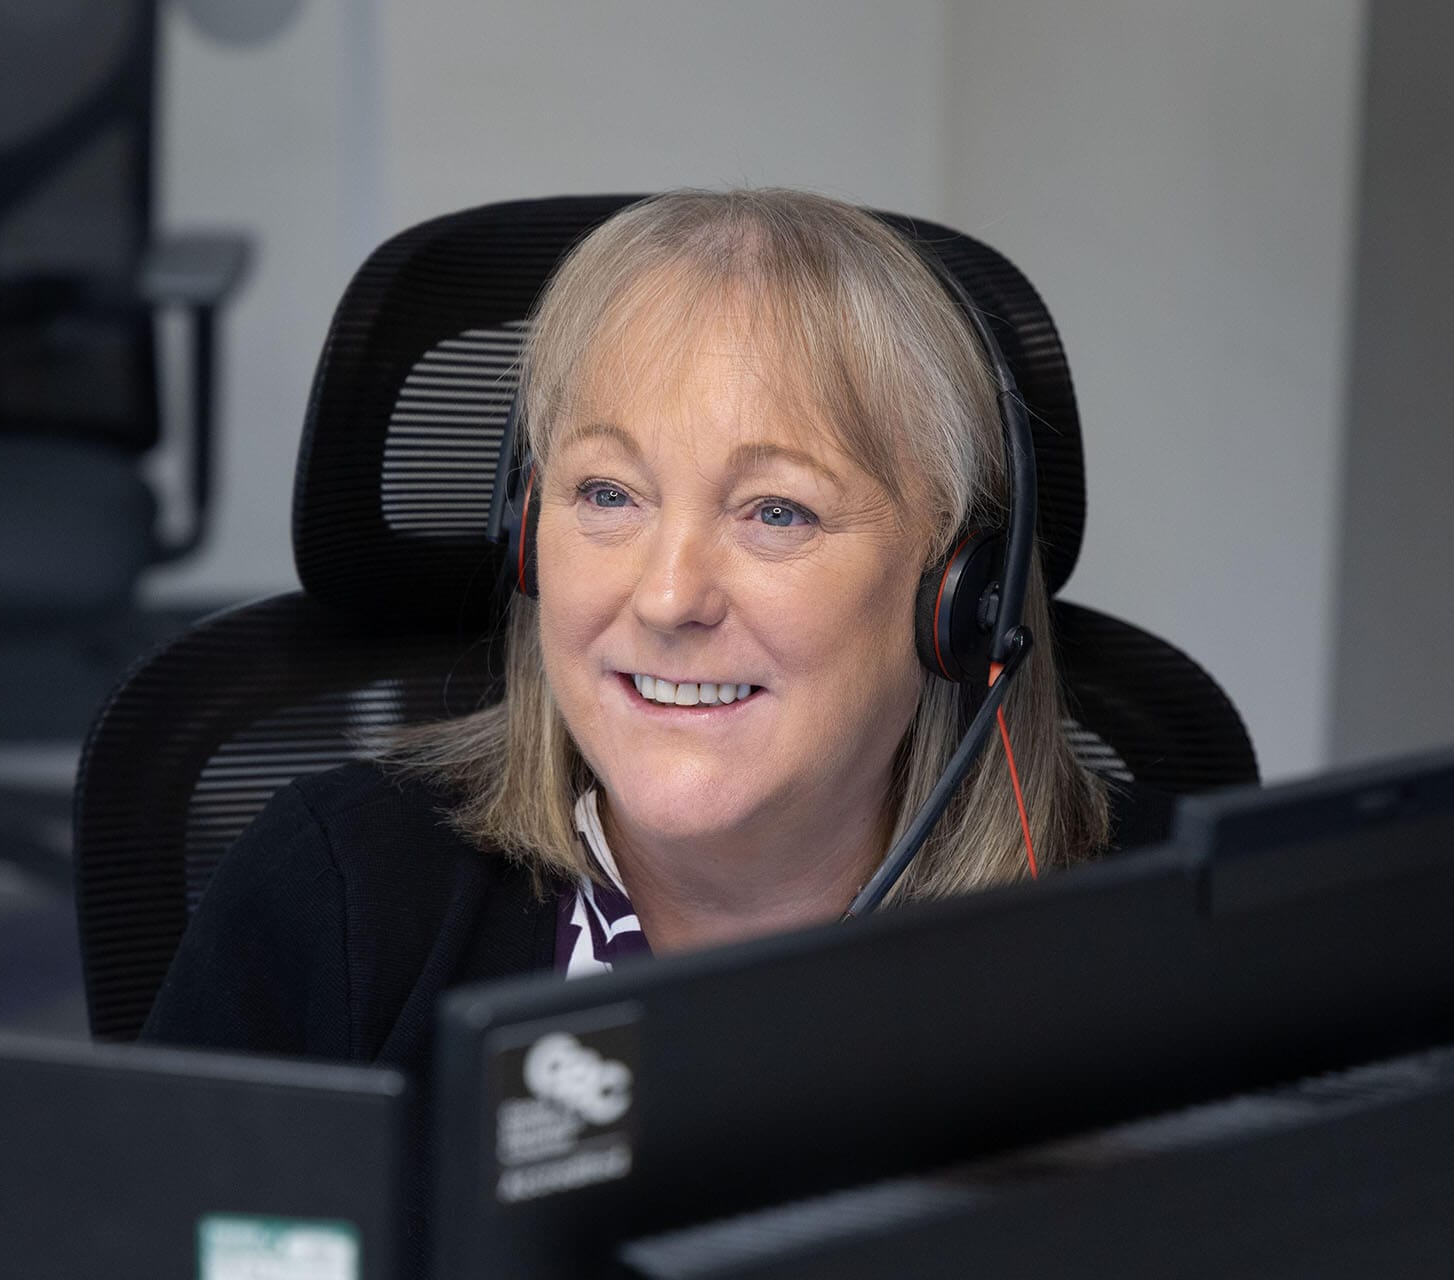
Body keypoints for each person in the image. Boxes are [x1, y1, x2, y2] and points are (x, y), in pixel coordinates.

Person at [142, 189, 1163, 1070]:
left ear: (958, 592)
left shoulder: (1153, 932)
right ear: (529, 538)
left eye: (776, 511)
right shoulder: (338, 893)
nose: (670, 597)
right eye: (609, 493)